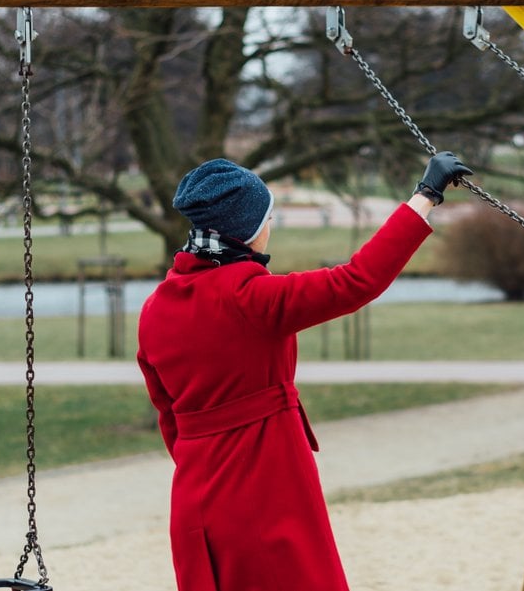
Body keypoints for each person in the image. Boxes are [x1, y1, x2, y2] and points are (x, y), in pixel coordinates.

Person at [137, 152, 472, 591]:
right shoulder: (251, 298)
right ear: (250, 229)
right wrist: (426, 195)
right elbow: (357, 280)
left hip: (194, 501)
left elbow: (169, 418)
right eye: (267, 218)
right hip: (264, 491)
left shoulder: (155, 307)